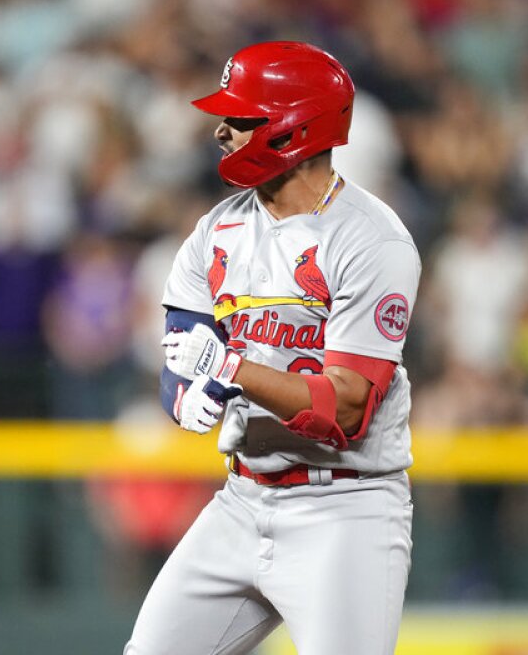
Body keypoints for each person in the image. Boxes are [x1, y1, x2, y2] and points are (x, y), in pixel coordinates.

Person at [126, 41, 420, 655]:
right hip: (241, 498)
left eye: (242, 117)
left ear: (294, 126)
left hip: (345, 509)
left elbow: (345, 410)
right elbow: (182, 353)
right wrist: (183, 396)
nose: (222, 130)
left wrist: (232, 368)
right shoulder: (218, 229)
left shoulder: (371, 240)